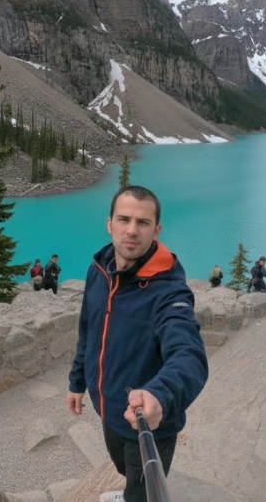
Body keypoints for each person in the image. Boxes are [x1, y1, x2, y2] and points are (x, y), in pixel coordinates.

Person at [66, 186, 208, 502]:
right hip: (108, 407)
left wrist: (160, 394)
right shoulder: (99, 270)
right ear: (109, 224)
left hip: (148, 421)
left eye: (143, 223)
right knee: (123, 466)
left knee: (142, 492)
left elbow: (190, 354)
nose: (132, 230)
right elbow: (87, 330)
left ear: (156, 230)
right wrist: (77, 382)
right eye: (124, 219)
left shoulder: (169, 291)